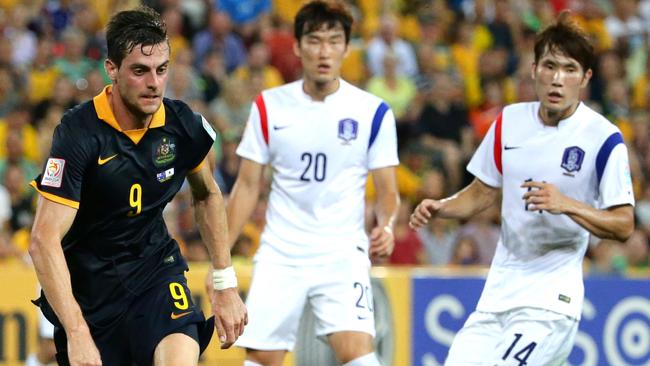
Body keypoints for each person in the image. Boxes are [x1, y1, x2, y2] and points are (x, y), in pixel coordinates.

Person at [410, 14, 635, 366]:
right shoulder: (509, 122)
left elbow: (623, 224)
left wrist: (568, 204)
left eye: (570, 69)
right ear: (534, 70)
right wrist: (443, 206)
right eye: (550, 66)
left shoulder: (604, 139)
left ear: (586, 78)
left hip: (550, 302)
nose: (557, 79)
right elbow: (483, 192)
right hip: (498, 295)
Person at [28, 6, 247, 366]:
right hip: (90, 294)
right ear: (111, 68)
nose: (154, 83)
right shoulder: (79, 133)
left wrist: (224, 280)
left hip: (154, 273)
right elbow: (43, 239)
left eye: (162, 70)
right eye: (140, 71)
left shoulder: (181, 125)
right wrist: (78, 332)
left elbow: (207, 193)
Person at [224, 1, 399, 365]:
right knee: (261, 360)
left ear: (346, 48)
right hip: (281, 253)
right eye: (315, 41)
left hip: (341, 253)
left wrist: (387, 224)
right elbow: (246, 186)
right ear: (298, 46)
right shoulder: (269, 106)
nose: (324, 51)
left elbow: (388, 192)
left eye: (334, 41)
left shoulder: (373, 112)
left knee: (358, 354)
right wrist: (220, 261)